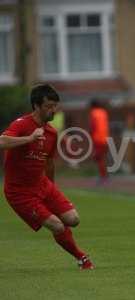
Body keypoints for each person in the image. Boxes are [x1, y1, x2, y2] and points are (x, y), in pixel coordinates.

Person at [0, 84, 94, 270]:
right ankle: (82, 258)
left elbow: (48, 162)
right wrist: (29, 139)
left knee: (73, 219)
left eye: (55, 106)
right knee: (57, 226)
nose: (53, 110)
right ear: (36, 105)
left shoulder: (51, 132)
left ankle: (54, 218)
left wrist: (51, 187)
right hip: (19, 192)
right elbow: (2, 141)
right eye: (48, 106)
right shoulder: (21, 124)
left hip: (42, 185)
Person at [89, 99, 110, 184]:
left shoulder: (93, 113)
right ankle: (104, 175)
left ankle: (103, 176)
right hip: (105, 137)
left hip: (98, 138)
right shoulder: (103, 112)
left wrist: (90, 132)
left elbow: (93, 126)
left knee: (99, 158)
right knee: (102, 157)